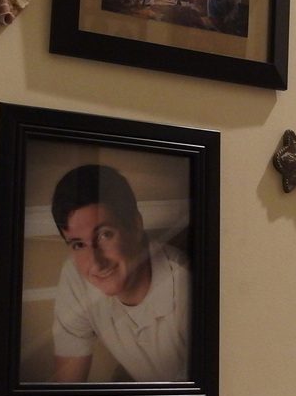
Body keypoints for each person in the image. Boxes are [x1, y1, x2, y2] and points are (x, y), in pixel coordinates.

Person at [49, 164, 190, 383]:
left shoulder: (185, 287)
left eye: (104, 235)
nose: (96, 263)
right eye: (78, 244)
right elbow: (66, 388)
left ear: (136, 225)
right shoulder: (75, 276)